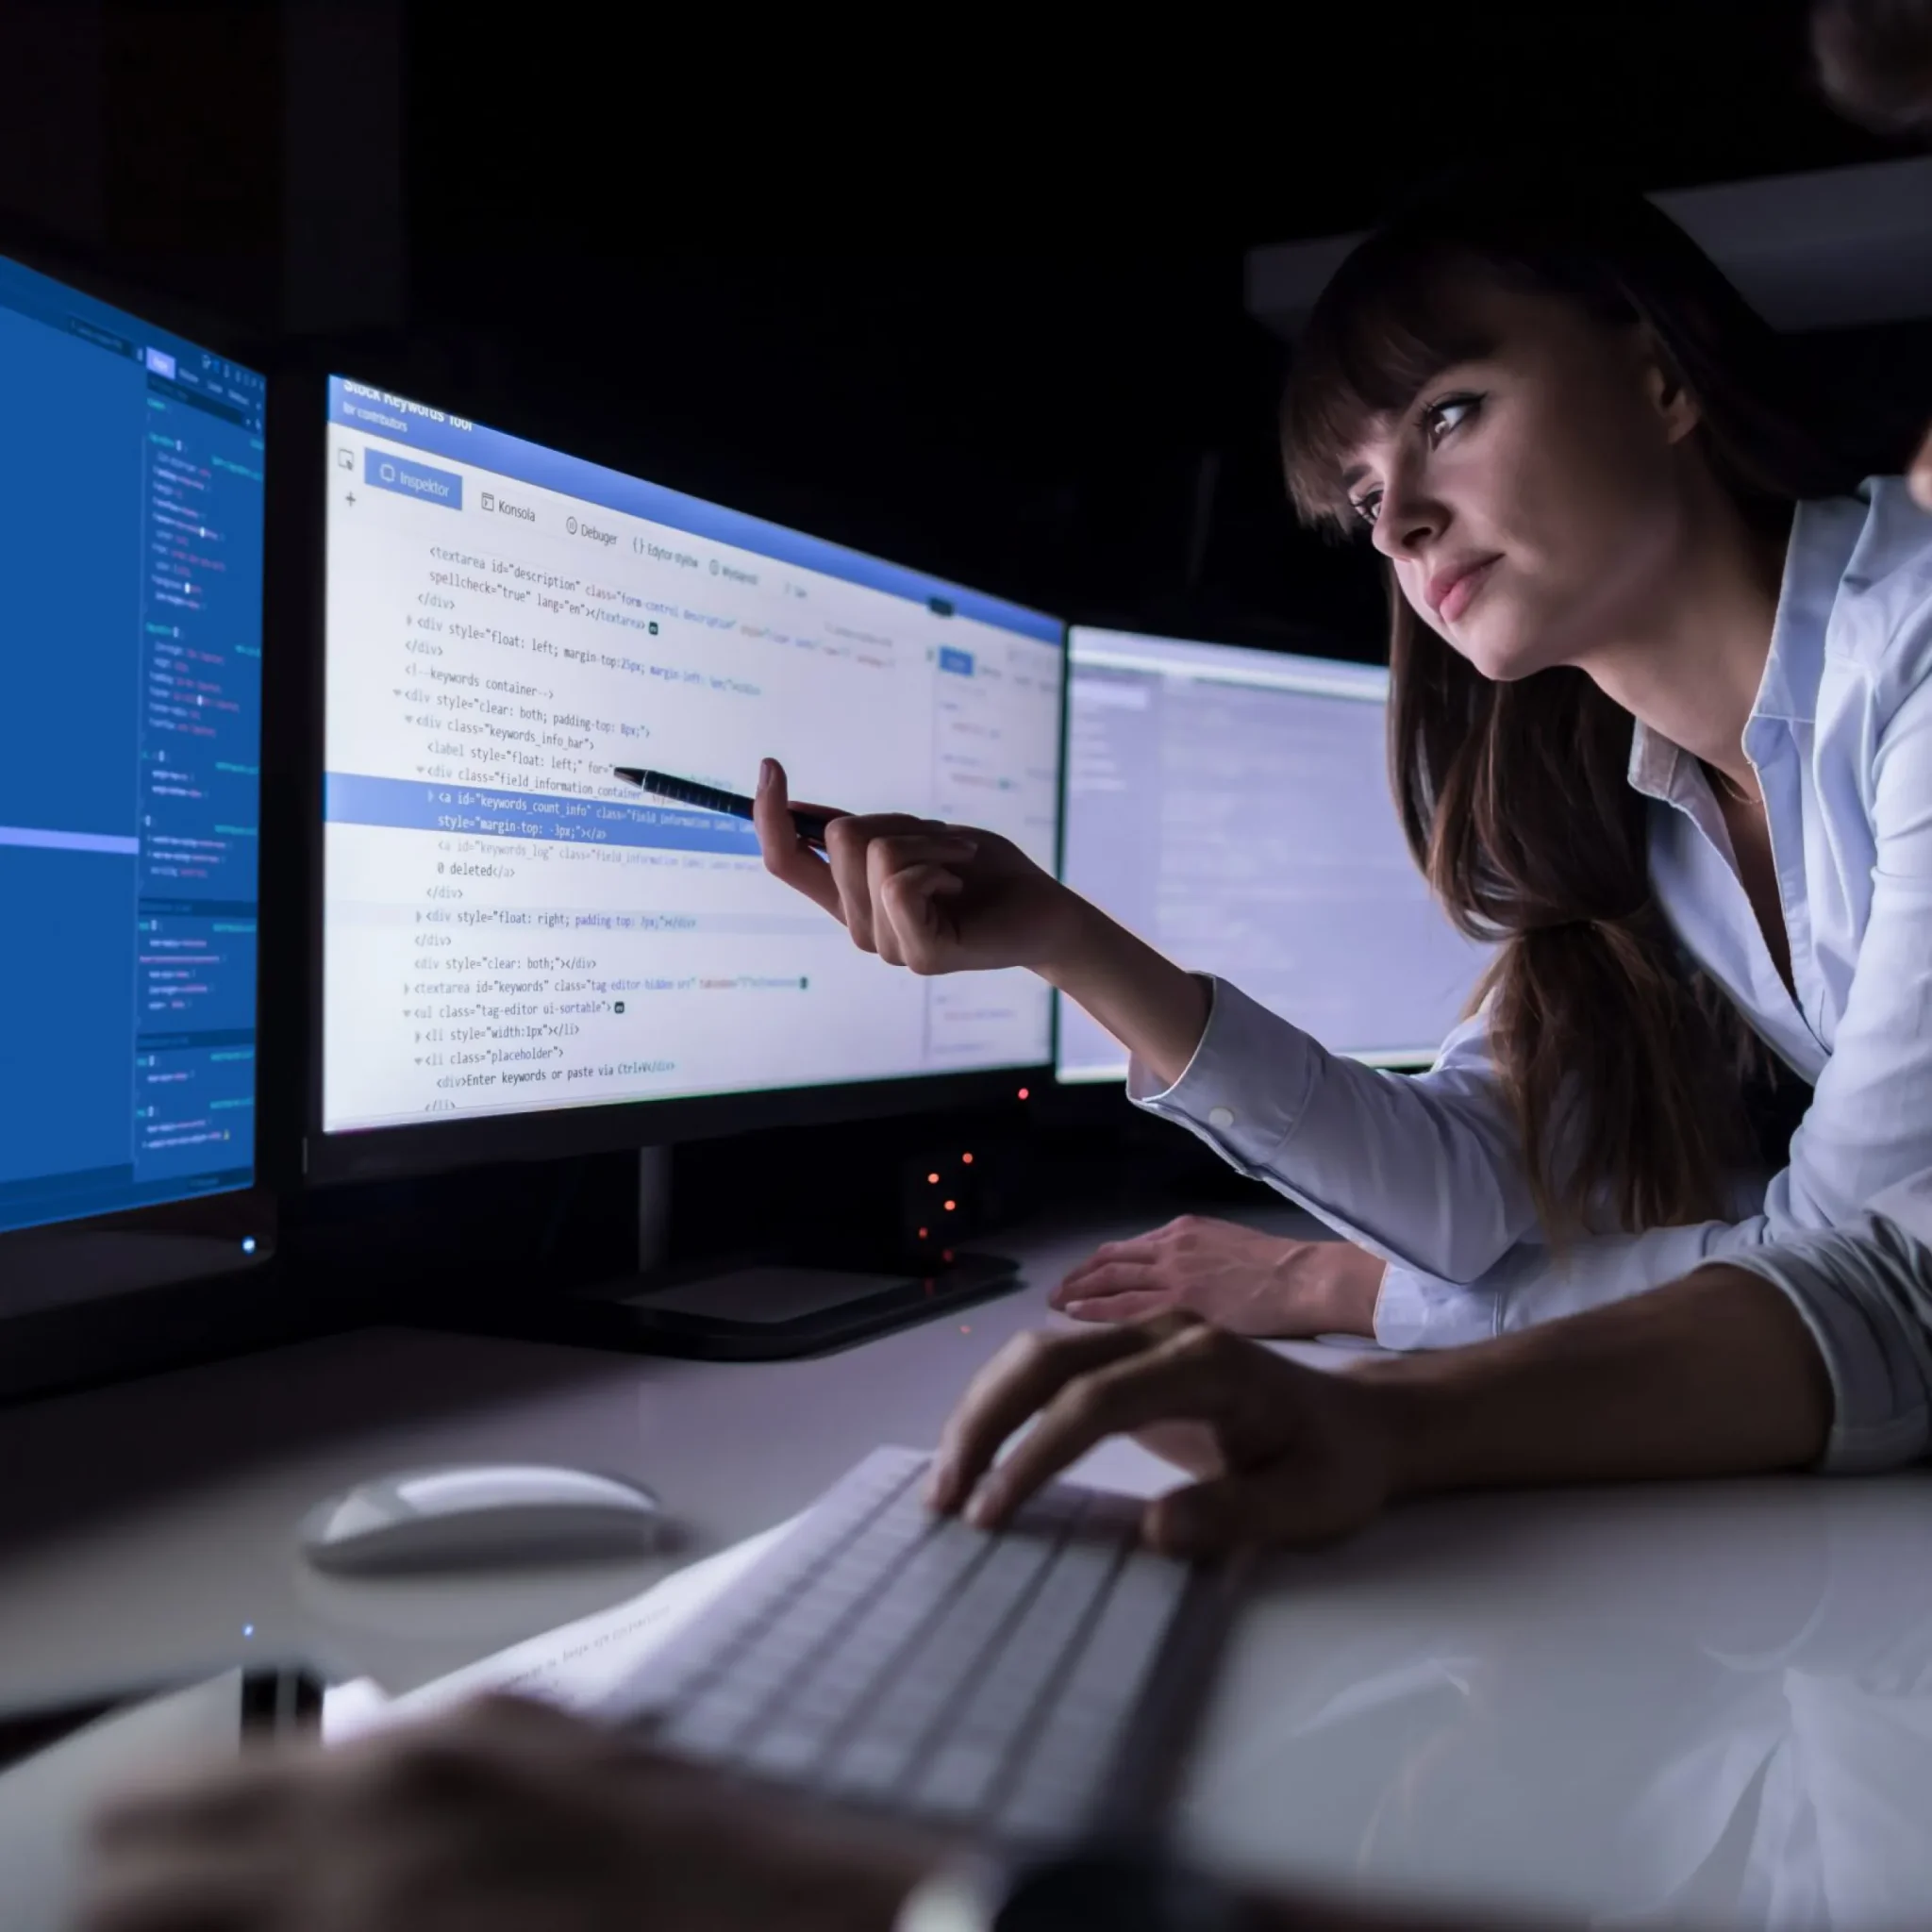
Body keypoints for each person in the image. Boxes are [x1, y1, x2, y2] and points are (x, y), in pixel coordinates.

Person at [1055, 0, 1932, 1342]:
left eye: (1447, 415)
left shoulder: (1914, 640)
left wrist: (1351, 1293)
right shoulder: (1654, 818)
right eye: (1360, 499)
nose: (1397, 523)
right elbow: (1469, 1181)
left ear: (1659, 380)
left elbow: (1865, 1259)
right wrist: (1054, 939)